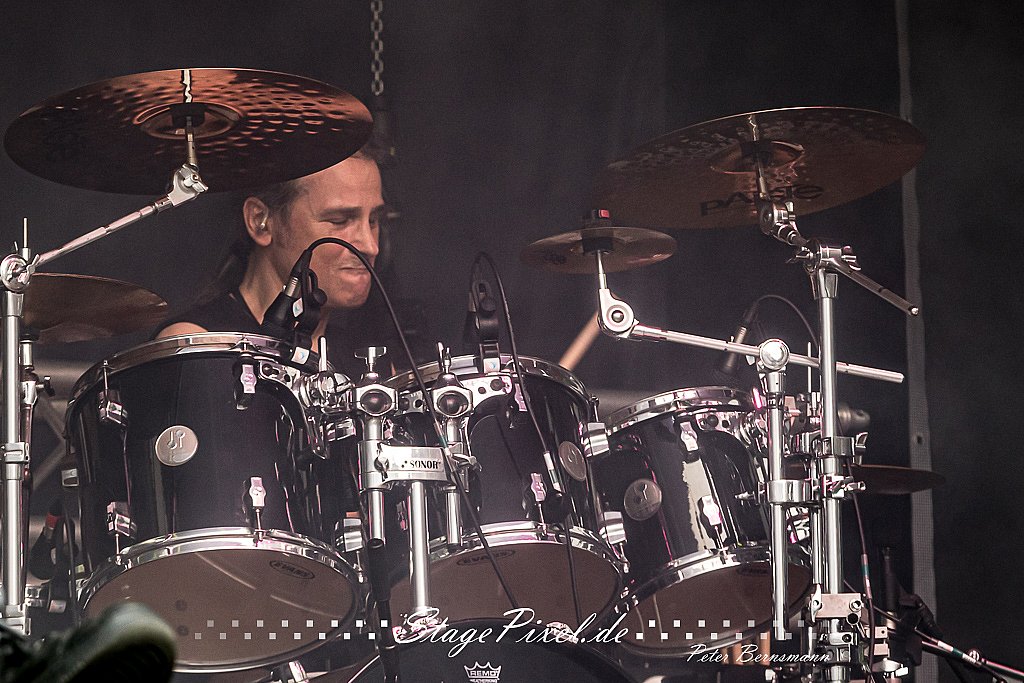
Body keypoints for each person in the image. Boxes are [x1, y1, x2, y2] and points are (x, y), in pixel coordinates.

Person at [156, 148, 415, 376]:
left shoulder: (370, 366)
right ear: (260, 221)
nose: (370, 246)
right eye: (339, 221)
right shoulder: (199, 346)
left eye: (374, 220)